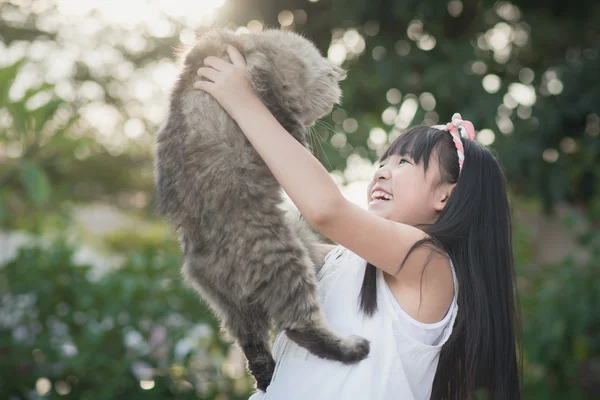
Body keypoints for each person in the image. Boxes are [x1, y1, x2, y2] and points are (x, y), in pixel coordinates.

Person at [193, 45, 522, 400]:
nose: (382, 172)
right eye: (384, 161)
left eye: (404, 163)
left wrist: (244, 102)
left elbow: (326, 210)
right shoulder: (341, 262)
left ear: (446, 195)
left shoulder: (429, 263)